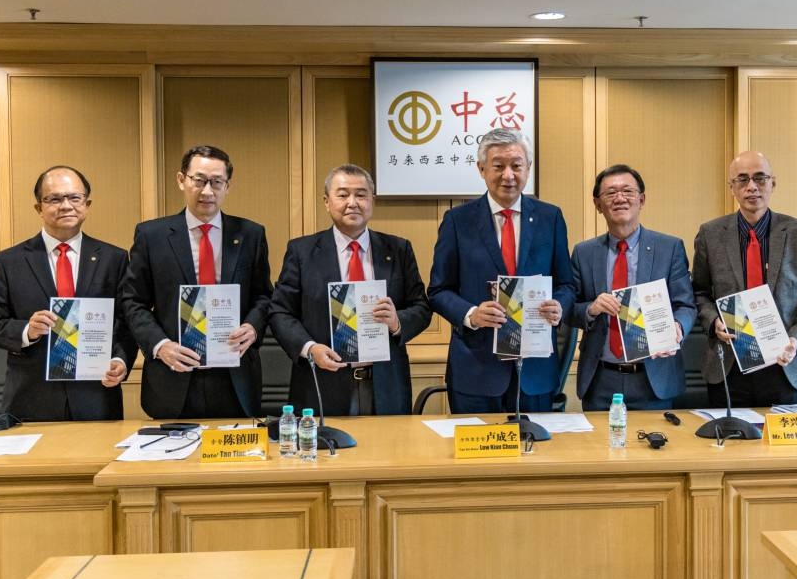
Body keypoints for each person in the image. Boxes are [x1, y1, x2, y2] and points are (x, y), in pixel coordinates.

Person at [428, 128, 574, 414]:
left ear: (528, 168)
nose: (508, 175)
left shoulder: (550, 217)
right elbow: (438, 290)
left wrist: (559, 305)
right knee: (475, 444)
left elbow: (566, 284)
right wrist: (471, 314)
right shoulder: (458, 220)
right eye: (498, 166)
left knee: (534, 443)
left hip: (535, 371)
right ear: (481, 169)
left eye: (516, 165)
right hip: (476, 371)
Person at [121, 145, 273, 418]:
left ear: (228, 186)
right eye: (199, 180)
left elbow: (263, 296)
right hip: (173, 375)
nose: (207, 191)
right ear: (182, 180)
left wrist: (252, 327)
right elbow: (133, 301)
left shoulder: (251, 234)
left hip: (235, 376)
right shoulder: (152, 235)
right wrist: (160, 346)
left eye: (216, 182)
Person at [269, 164, 432, 415]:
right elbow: (280, 311)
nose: (352, 203)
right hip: (323, 382)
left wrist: (398, 321)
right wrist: (310, 348)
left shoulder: (398, 249)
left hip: (386, 384)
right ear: (327, 202)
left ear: (372, 200)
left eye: (361, 195)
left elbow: (421, 307)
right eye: (343, 195)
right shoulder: (302, 252)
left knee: (391, 441)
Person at [0, 166, 137, 421]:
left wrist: (120, 360)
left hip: (96, 396)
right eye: (54, 199)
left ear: (86, 204)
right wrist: (27, 331)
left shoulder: (114, 259)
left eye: (74, 198)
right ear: (39, 208)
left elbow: (126, 323)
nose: (66, 206)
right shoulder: (10, 262)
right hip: (31, 399)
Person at [692, 151, 797, 407]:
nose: (751, 187)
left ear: (772, 183)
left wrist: (796, 339)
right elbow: (699, 292)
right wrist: (713, 322)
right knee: (730, 433)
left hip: (786, 365)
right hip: (730, 366)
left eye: (760, 178)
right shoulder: (710, 234)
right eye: (742, 179)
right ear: (731, 187)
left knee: (784, 435)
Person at [569, 164, 696, 410]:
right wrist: (591, 309)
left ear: (641, 200)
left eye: (627, 191)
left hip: (653, 378)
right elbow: (568, 309)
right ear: (597, 204)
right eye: (610, 193)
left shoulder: (669, 248)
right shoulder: (584, 253)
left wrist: (678, 326)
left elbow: (686, 305)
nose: (620, 198)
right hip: (600, 379)